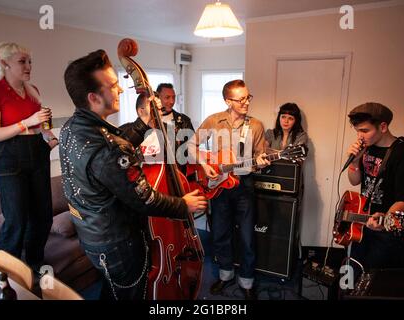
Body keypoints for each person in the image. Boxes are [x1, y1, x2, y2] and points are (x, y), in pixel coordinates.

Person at [59, 49, 207, 300]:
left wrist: (143, 124)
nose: (119, 90)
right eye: (114, 85)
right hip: (119, 243)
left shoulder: (72, 128)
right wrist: (183, 204)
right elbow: (145, 199)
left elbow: (113, 158)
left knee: (113, 292)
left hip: (92, 235)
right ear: (94, 98)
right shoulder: (109, 146)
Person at [0, 42, 57, 270]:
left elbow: (41, 126)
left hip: (38, 155)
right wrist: (26, 123)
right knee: (16, 222)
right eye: (22, 61)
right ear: (5, 63)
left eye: (29, 61)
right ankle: (6, 276)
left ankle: (34, 266)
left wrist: (49, 137)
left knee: (43, 219)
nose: (28, 66)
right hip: (10, 159)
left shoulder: (33, 91)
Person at [188, 80, 270, 300]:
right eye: (240, 98)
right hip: (218, 187)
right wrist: (205, 166)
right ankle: (225, 275)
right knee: (220, 234)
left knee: (246, 237)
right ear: (228, 101)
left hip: (245, 186)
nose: (246, 102)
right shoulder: (214, 121)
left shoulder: (256, 125)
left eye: (248, 97)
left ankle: (247, 281)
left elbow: (261, 156)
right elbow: (190, 145)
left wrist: (262, 162)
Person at [346, 102, 404, 273]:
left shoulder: (403, 154)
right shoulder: (367, 147)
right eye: (357, 131)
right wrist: (355, 161)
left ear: (383, 126)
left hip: (387, 231)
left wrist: (385, 217)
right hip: (364, 223)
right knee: (353, 272)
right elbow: (354, 181)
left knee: (372, 278)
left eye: (365, 130)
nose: (360, 136)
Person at [156, 83, 194, 173]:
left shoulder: (184, 120)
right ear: (157, 98)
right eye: (167, 97)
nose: (172, 101)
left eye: (173, 97)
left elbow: (192, 146)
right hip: (157, 171)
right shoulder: (148, 121)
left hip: (179, 171)